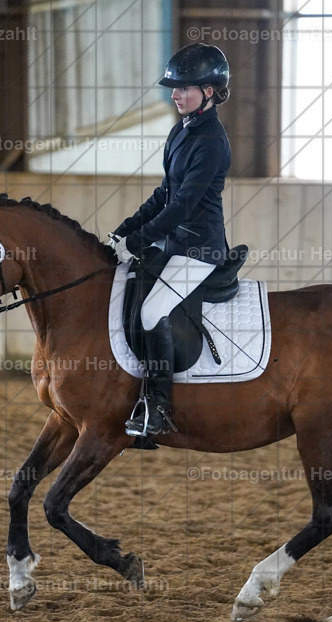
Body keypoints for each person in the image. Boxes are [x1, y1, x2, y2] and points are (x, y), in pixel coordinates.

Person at [107, 43, 232, 438]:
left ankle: (156, 408)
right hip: (174, 243)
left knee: (150, 312)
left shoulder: (211, 140)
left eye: (184, 88)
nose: (175, 94)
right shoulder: (181, 129)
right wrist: (125, 230)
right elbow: (164, 193)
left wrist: (140, 239)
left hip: (200, 249)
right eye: (173, 88)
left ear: (208, 91)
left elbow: (182, 205)